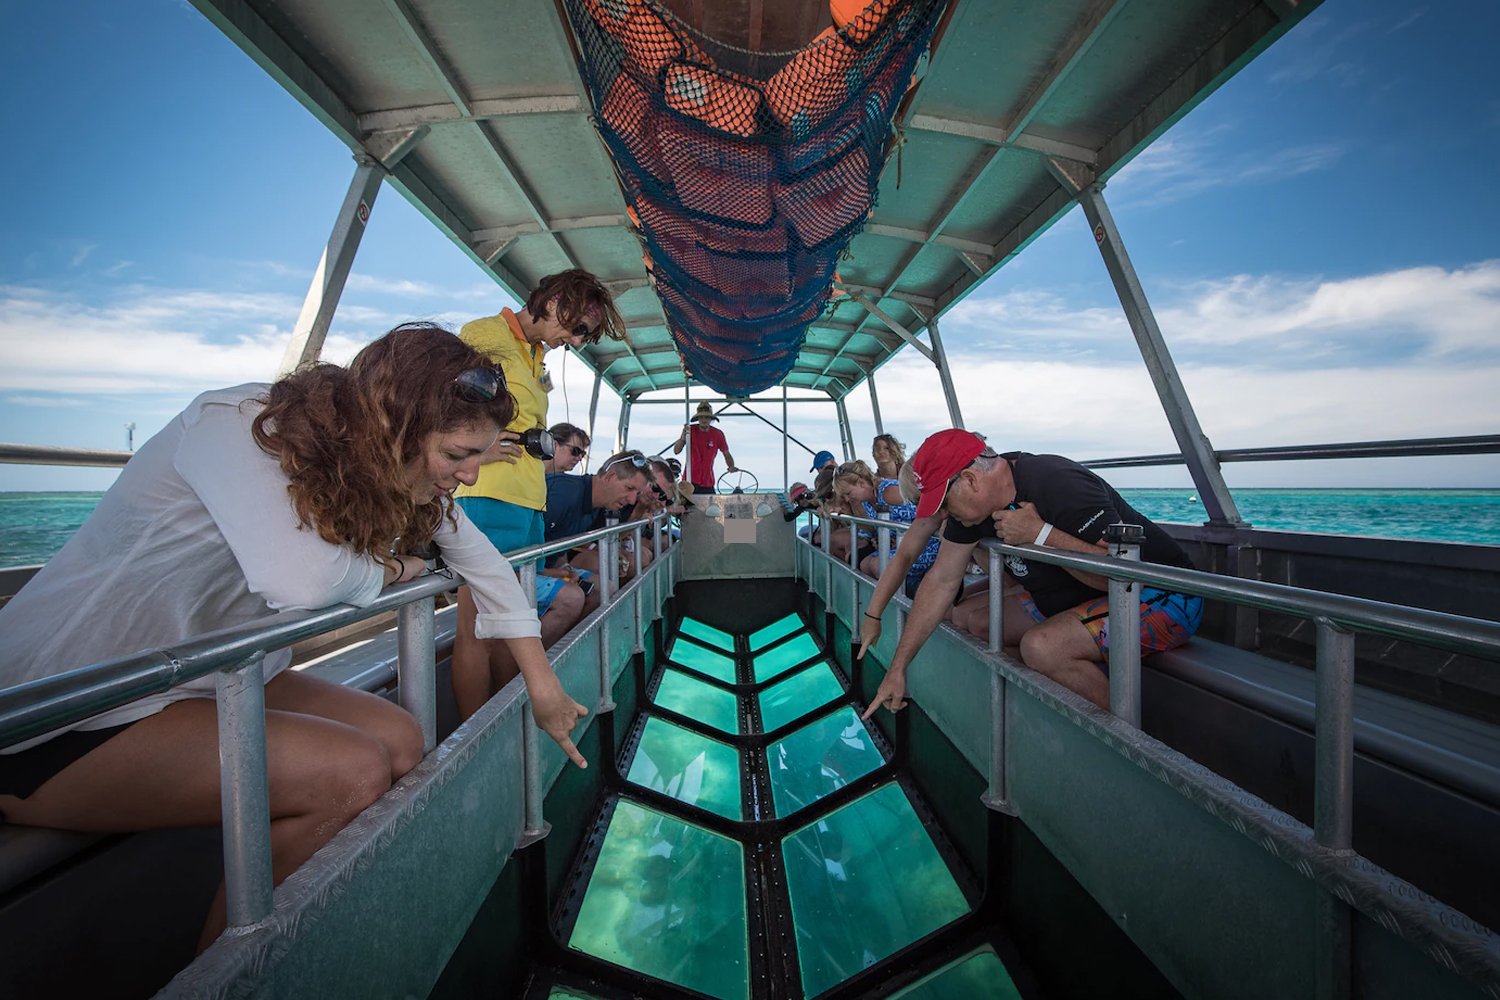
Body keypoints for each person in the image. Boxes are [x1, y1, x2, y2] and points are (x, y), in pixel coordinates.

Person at [0, 323, 589, 948]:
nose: (470, 476)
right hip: (64, 706)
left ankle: (307, 939)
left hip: (202, 673)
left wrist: (543, 687)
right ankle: (235, 980)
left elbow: (488, 568)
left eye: (479, 455)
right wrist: (394, 569)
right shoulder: (237, 424)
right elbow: (304, 581)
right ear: (395, 426)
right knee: (350, 772)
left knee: (403, 738)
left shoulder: (396, 473)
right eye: (458, 455)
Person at [863, 429, 1203, 715]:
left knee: (1042, 647)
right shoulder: (971, 511)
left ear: (970, 480)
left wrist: (1041, 535)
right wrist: (897, 669)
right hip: (1079, 595)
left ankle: (1127, 747)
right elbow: (941, 581)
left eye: (944, 505)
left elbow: (1120, 578)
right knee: (981, 623)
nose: (943, 516)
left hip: (1163, 591)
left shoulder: (1056, 481)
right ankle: (1049, 714)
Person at [450, 269, 624, 721]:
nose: (577, 341)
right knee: (477, 630)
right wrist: (478, 450)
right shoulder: (484, 334)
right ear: (553, 302)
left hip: (528, 504)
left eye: (585, 335)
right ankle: (473, 738)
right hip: (488, 499)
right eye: (579, 327)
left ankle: (507, 721)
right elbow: (449, 403)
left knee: (517, 625)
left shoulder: (534, 355)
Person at [544, 451, 652, 593]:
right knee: (572, 598)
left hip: (546, 568)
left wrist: (564, 567)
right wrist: (547, 573)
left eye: (637, 493)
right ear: (610, 476)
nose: (632, 500)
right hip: (522, 573)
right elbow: (521, 549)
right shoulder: (563, 495)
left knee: (605, 589)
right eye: (629, 488)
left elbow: (557, 543)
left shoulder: (596, 504)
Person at [673, 402, 738, 493]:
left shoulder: (717, 434)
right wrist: (683, 436)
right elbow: (676, 451)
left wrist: (731, 466)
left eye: (707, 417)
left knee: (712, 502)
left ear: (711, 419)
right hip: (689, 480)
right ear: (698, 418)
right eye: (701, 417)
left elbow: (726, 453)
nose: (704, 420)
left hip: (708, 481)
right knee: (685, 502)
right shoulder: (690, 431)